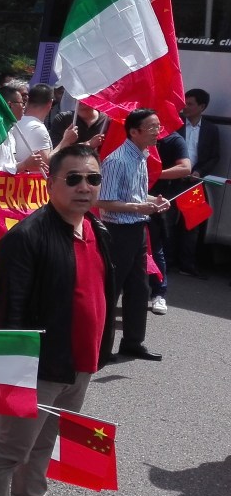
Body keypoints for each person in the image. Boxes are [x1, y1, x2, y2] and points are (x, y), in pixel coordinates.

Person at [0, 145, 115, 496]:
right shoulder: (26, 237)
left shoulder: (96, 229)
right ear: (50, 182)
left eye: (92, 179)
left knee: (46, 442)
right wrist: (9, 379)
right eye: (73, 178)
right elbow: (8, 314)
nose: (84, 187)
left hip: (81, 362)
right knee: (9, 449)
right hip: (37, 367)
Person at [96, 108, 168, 361]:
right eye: (152, 127)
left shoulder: (140, 156)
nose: (157, 132)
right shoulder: (117, 160)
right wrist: (139, 207)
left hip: (137, 230)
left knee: (139, 288)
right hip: (118, 232)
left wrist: (155, 200)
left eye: (158, 126)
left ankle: (133, 342)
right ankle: (101, 349)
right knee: (112, 289)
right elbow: (104, 201)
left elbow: (135, 195)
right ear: (134, 132)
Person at [173, 88, 221, 277]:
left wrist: (199, 172)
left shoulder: (211, 129)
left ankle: (187, 264)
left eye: (190, 104)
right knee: (166, 222)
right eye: (184, 102)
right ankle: (166, 262)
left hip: (193, 182)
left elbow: (214, 157)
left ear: (202, 107)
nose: (185, 107)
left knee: (192, 224)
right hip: (172, 180)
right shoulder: (175, 123)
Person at [146, 131, 191, 314]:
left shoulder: (173, 139)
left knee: (156, 248)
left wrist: (156, 174)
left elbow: (185, 168)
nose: (154, 128)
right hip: (129, 199)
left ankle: (159, 293)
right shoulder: (132, 134)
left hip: (157, 200)